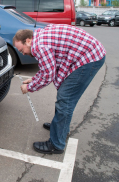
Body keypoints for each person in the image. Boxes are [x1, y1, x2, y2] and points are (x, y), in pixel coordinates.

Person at [13, 24, 106, 154]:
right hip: (88, 54)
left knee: (65, 99)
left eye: (22, 50)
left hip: (89, 59)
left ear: (28, 41)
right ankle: (59, 128)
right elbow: (47, 67)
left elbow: (48, 75)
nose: (22, 53)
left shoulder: (40, 46)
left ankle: (56, 144)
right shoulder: (40, 38)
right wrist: (33, 79)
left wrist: (29, 87)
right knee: (64, 96)